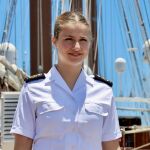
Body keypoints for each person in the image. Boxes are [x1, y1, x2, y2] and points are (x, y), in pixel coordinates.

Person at [10, 11, 122, 150]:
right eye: (69, 39)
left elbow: (110, 146)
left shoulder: (104, 91)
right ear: (54, 41)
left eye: (83, 40)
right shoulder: (32, 90)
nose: (76, 47)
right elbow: (22, 146)